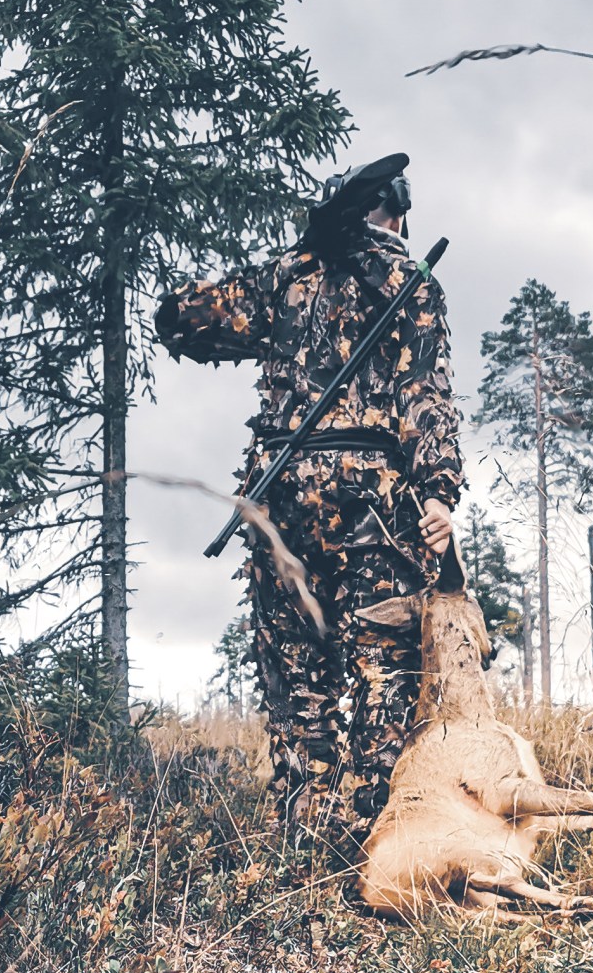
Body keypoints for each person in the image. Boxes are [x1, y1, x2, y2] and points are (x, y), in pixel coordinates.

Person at [154, 156, 463, 837]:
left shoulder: (286, 277)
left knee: (296, 667)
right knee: (385, 665)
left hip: (283, 491)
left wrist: (288, 266)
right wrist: (437, 491)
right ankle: (378, 830)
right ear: (398, 215)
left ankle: (304, 832)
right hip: (375, 496)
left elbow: (182, 320)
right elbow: (425, 393)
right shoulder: (409, 281)